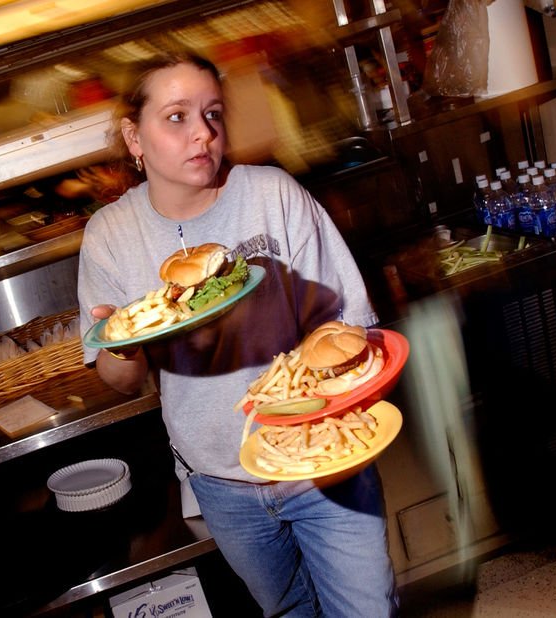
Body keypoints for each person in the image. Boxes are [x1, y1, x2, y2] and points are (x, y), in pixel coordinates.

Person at [77, 52, 397, 616]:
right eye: (177, 116)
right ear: (134, 137)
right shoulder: (110, 235)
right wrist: (121, 342)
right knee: (288, 611)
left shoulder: (272, 194)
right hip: (222, 481)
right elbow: (121, 382)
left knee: (368, 609)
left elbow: (350, 324)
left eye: (212, 113)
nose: (202, 132)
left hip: (320, 458)